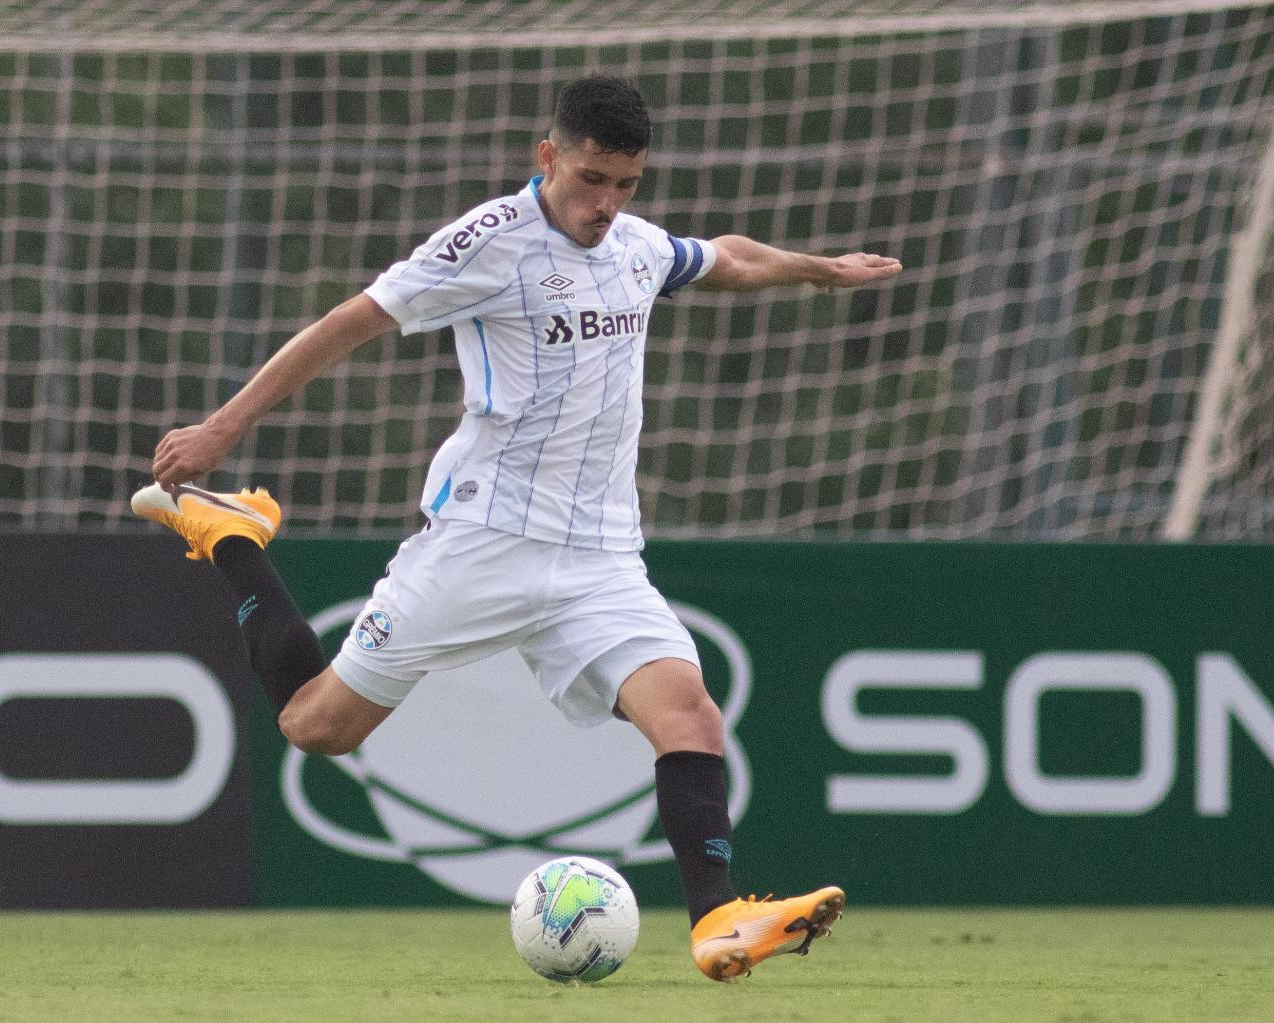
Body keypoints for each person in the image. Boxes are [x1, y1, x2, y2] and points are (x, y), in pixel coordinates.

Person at [133, 74, 902, 981]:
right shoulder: (487, 244)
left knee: (689, 712)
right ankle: (231, 537)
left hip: (603, 558)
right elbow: (350, 324)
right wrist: (226, 425)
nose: (606, 204)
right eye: (590, 180)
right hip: (483, 540)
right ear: (548, 157)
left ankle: (719, 919)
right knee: (317, 725)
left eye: (626, 183)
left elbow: (722, 258)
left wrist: (820, 270)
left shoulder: (635, 245)